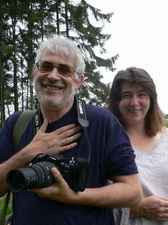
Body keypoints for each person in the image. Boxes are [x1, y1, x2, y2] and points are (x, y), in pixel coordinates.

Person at [0, 36, 142, 225]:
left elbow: (133, 193)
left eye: (64, 70)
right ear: (35, 72)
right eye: (46, 66)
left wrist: (73, 196)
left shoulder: (101, 121)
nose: (53, 75)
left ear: (78, 81)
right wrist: (28, 153)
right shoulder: (17, 124)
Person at [106, 67, 168, 225]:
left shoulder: (166, 138)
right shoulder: (105, 143)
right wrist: (138, 209)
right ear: (116, 101)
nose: (134, 103)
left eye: (141, 94)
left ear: (151, 99)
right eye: (127, 95)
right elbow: (90, 202)